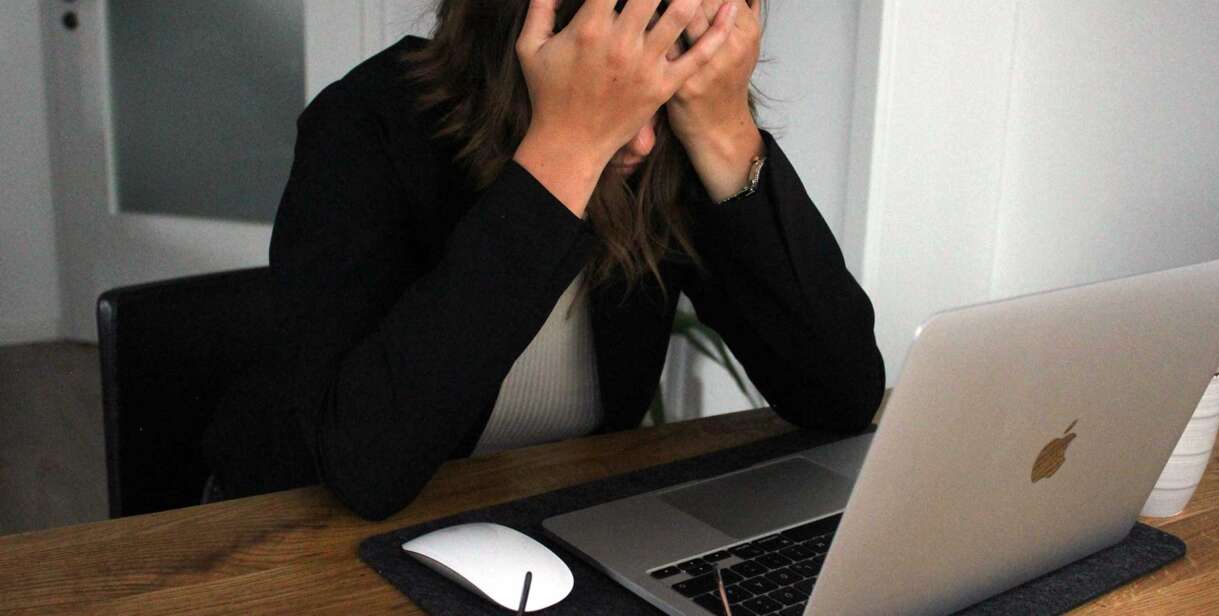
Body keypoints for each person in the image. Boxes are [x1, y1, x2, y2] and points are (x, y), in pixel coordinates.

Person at [201, 0, 885, 521]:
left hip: (530, 525)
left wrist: (723, 126)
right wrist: (565, 156)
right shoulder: (364, 123)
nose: (643, 139)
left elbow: (841, 395)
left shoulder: (672, 138)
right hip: (290, 531)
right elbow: (366, 467)